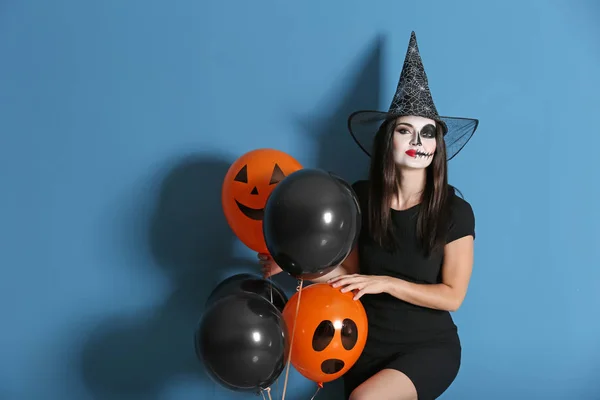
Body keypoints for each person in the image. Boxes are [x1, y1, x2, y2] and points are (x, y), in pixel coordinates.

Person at [259, 31, 479, 400]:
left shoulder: (455, 211)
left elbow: (452, 296)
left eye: (427, 134)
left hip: (427, 347)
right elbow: (351, 276)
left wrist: (386, 282)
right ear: (387, 140)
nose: (417, 142)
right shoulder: (359, 197)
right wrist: (293, 265)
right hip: (361, 340)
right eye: (405, 130)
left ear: (437, 147)